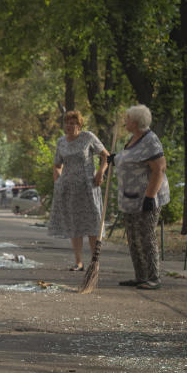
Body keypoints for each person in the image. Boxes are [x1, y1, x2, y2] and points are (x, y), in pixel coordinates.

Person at [113, 104, 169, 290]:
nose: (125, 121)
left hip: (147, 197)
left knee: (146, 237)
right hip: (129, 198)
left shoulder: (150, 140)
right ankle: (141, 276)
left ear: (136, 122)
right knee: (133, 237)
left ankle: (153, 278)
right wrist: (114, 159)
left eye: (127, 119)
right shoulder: (132, 139)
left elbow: (159, 168)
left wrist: (150, 196)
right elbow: (130, 159)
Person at [46, 110, 109, 271]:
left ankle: (95, 262)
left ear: (79, 125)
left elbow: (105, 156)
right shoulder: (61, 142)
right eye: (67, 123)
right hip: (69, 189)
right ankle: (78, 262)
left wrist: (101, 173)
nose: (70, 126)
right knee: (75, 225)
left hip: (88, 186)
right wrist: (58, 182)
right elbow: (57, 165)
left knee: (93, 224)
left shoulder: (88, 137)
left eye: (73, 123)